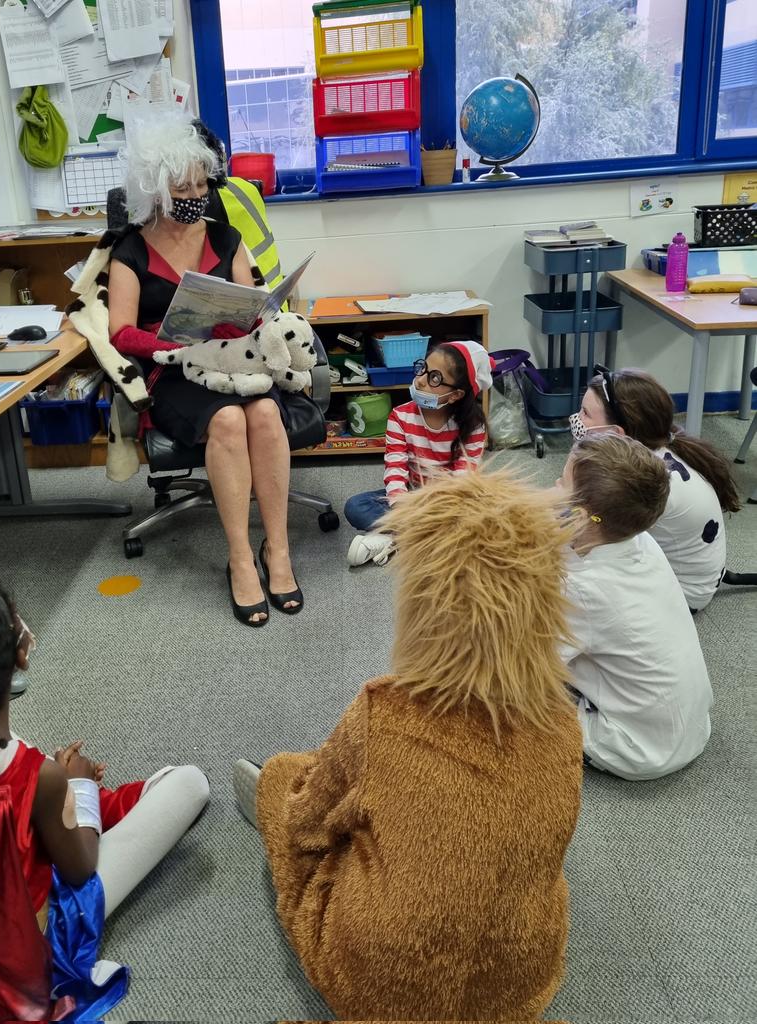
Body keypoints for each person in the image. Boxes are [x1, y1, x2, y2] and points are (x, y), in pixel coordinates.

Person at [233, 471, 583, 1020]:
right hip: (519, 984)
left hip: (379, 980)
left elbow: (307, 826)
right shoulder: (564, 722)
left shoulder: (385, 710)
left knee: (286, 776)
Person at [0, 576, 209, 1021]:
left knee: (66, 801)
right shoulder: (34, 778)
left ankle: (99, 801)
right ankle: (113, 796)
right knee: (189, 784)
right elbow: (81, 868)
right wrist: (76, 787)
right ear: (21, 655)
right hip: (19, 975)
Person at [108, 112, 302, 626]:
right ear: (154, 190)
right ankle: (240, 559)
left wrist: (253, 316)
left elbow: (249, 304)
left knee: (263, 413)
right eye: (182, 186)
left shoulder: (225, 236)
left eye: (200, 183)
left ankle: (276, 551)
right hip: (172, 372)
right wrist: (169, 344)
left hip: (233, 362)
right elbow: (120, 331)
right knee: (228, 420)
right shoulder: (128, 249)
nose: (196, 194)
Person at [557, 434, 714, 780]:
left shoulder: (583, 591)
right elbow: (573, 538)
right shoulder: (636, 536)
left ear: (579, 516)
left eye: (561, 482)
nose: (553, 486)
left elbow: (527, 665)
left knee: (510, 703)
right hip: (689, 725)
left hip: (638, 748)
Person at [569, 365, 740, 610]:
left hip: (684, 593)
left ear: (617, 433)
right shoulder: (654, 451)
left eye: (585, 413)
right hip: (691, 570)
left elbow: (591, 529)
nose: (577, 419)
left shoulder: (643, 480)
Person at [345, 340, 491, 567]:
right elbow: (395, 471)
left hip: (449, 503)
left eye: (434, 378)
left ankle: (397, 538)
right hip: (411, 497)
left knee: (484, 516)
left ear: (455, 395)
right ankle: (423, 539)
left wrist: (434, 513)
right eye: (423, 368)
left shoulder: (473, 426)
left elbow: (461, 482)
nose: (420, 380)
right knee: (356, 506)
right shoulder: (399, 416)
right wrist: (402, 508)